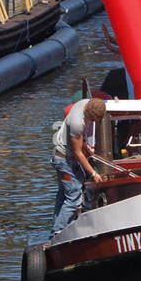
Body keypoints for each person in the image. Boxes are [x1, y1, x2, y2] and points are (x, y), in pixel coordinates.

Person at [51, 96, 107, 234]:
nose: (93, 122)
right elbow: (77, 153)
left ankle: (56, 227)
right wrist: (93, 173)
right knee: (74, 198)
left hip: (66, 157)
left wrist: (84, 144)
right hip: (64, 160)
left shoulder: (84, 103)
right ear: (88, 112)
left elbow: (80, 145)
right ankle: (58, 233)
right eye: (93, 119)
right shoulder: (77, 122)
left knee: (64, 194)